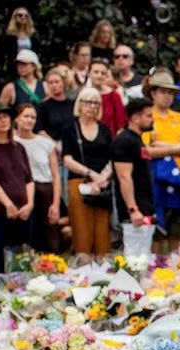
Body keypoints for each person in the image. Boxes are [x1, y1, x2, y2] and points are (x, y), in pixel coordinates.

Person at [113, 98, 177, 250]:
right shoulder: (124, 141)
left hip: (145, 207)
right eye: (148, 116)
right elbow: (124, 177)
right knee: (135, 257)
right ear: (135, 118)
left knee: (144, 255)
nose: (152, 119)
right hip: (134, 213)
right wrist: (133, 209)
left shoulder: (137, 140)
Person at [62, 86, 113, 262]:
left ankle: (103, 266)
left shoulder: (104, 129)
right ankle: (83, 267)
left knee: (102, 230)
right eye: (88, 102)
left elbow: (111, 158)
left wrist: (103, 178)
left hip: (102, 185)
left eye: (96, 103)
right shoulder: (70, 128)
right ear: (80, 104)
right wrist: (90, 174)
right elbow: (67, 159)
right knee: (82, 230)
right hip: (79, 181)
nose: (92, 106)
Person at [145, 71, 180, 249]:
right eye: (163, 92)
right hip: (155, 180)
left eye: (171, 93)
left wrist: (160, 145)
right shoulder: (148, 117)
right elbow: (147, 150)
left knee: (176, 232)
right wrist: (176, 148)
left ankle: (174, 264)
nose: (167, 96)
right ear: (153, 93)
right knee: (156, 233)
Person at [0, 104, 33, 271]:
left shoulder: (19, 148)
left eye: (6, 116)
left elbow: (29, 179)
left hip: (23, 210)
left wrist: (30, 204)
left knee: (23, 256)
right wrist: (8, 204)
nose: (3, 121)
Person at [14, 104, 62, 254]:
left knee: (49, 235)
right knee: (24, 236)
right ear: (17, 119)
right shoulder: (12, 142)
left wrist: (55, 204)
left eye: (33, 117)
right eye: (26, 116)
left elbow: (56, 176)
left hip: (45, 191)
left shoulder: (45, 143)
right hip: (21, 192)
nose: (30, 120)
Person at [0, 7, 36, 93]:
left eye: (26, 15)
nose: (23, 17)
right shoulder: (9, 35)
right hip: (14, 66)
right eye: (20, 15)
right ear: (15, 17)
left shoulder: (32, 35)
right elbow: (2, 53)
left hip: (30, 65)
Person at [33, 69, 74, 142]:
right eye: (50, 83)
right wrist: (53, 144)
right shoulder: (42, 106)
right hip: (50, 143)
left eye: (57, 82)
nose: (54, 85)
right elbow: (40, 130)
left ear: (64, 83)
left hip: (71, 142)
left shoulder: (72, 104)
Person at [89, 59, 126, 137]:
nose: (99, 76)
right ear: (89, 73)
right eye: (96, 72)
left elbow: (121, 123)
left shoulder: (114, 95)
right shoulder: (83, 94)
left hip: (109, 139)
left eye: (103, 73)